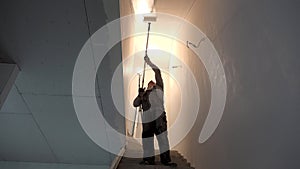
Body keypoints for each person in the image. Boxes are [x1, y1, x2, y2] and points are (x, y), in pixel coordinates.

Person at [133, 55, 177, 167]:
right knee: (147, 139)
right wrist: (140, 95)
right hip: (147, 118)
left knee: (162, 138)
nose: (151, 83)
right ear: (147, 86)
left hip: (158, 116)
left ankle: (166, 160)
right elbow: (135, 104)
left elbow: (157, 71)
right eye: (149, 83)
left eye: (153, 83)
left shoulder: (159, 88)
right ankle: (148, 159)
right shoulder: (144, 95)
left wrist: (149, 62)